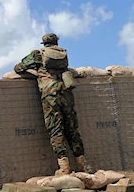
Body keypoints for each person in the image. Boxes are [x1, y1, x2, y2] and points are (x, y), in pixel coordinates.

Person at [13, 33, 93, 175]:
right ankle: (81, 164)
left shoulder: (38, 54)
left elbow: (19, 67)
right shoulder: (63, 54)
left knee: (55, 128)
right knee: (71, 128)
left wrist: (36, 71)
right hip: (66, 93)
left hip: (50, 95)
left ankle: (64, 167)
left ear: (44, 43)